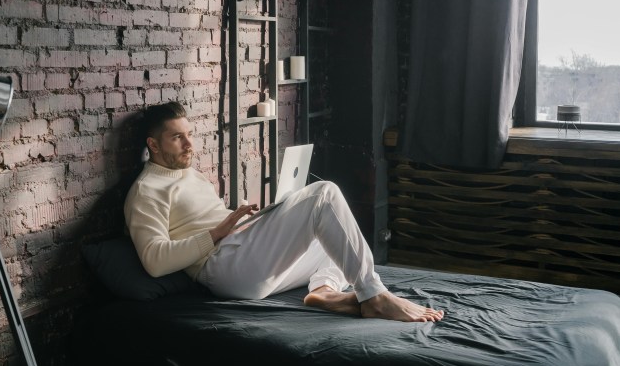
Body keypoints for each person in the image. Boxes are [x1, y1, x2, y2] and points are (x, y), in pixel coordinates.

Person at [123, 101, 444, 322]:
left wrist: (247, 219)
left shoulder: (187, 173)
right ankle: (375, 296)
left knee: (333, 230)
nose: (189, 144)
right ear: (153, 144)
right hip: (223, 267)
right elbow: (155, 261)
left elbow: (203, 218)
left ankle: (324, 291)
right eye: (178, 137)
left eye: (189, 134)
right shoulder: (146, 191)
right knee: (324, 194)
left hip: (241, 252)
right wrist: (218, 232)